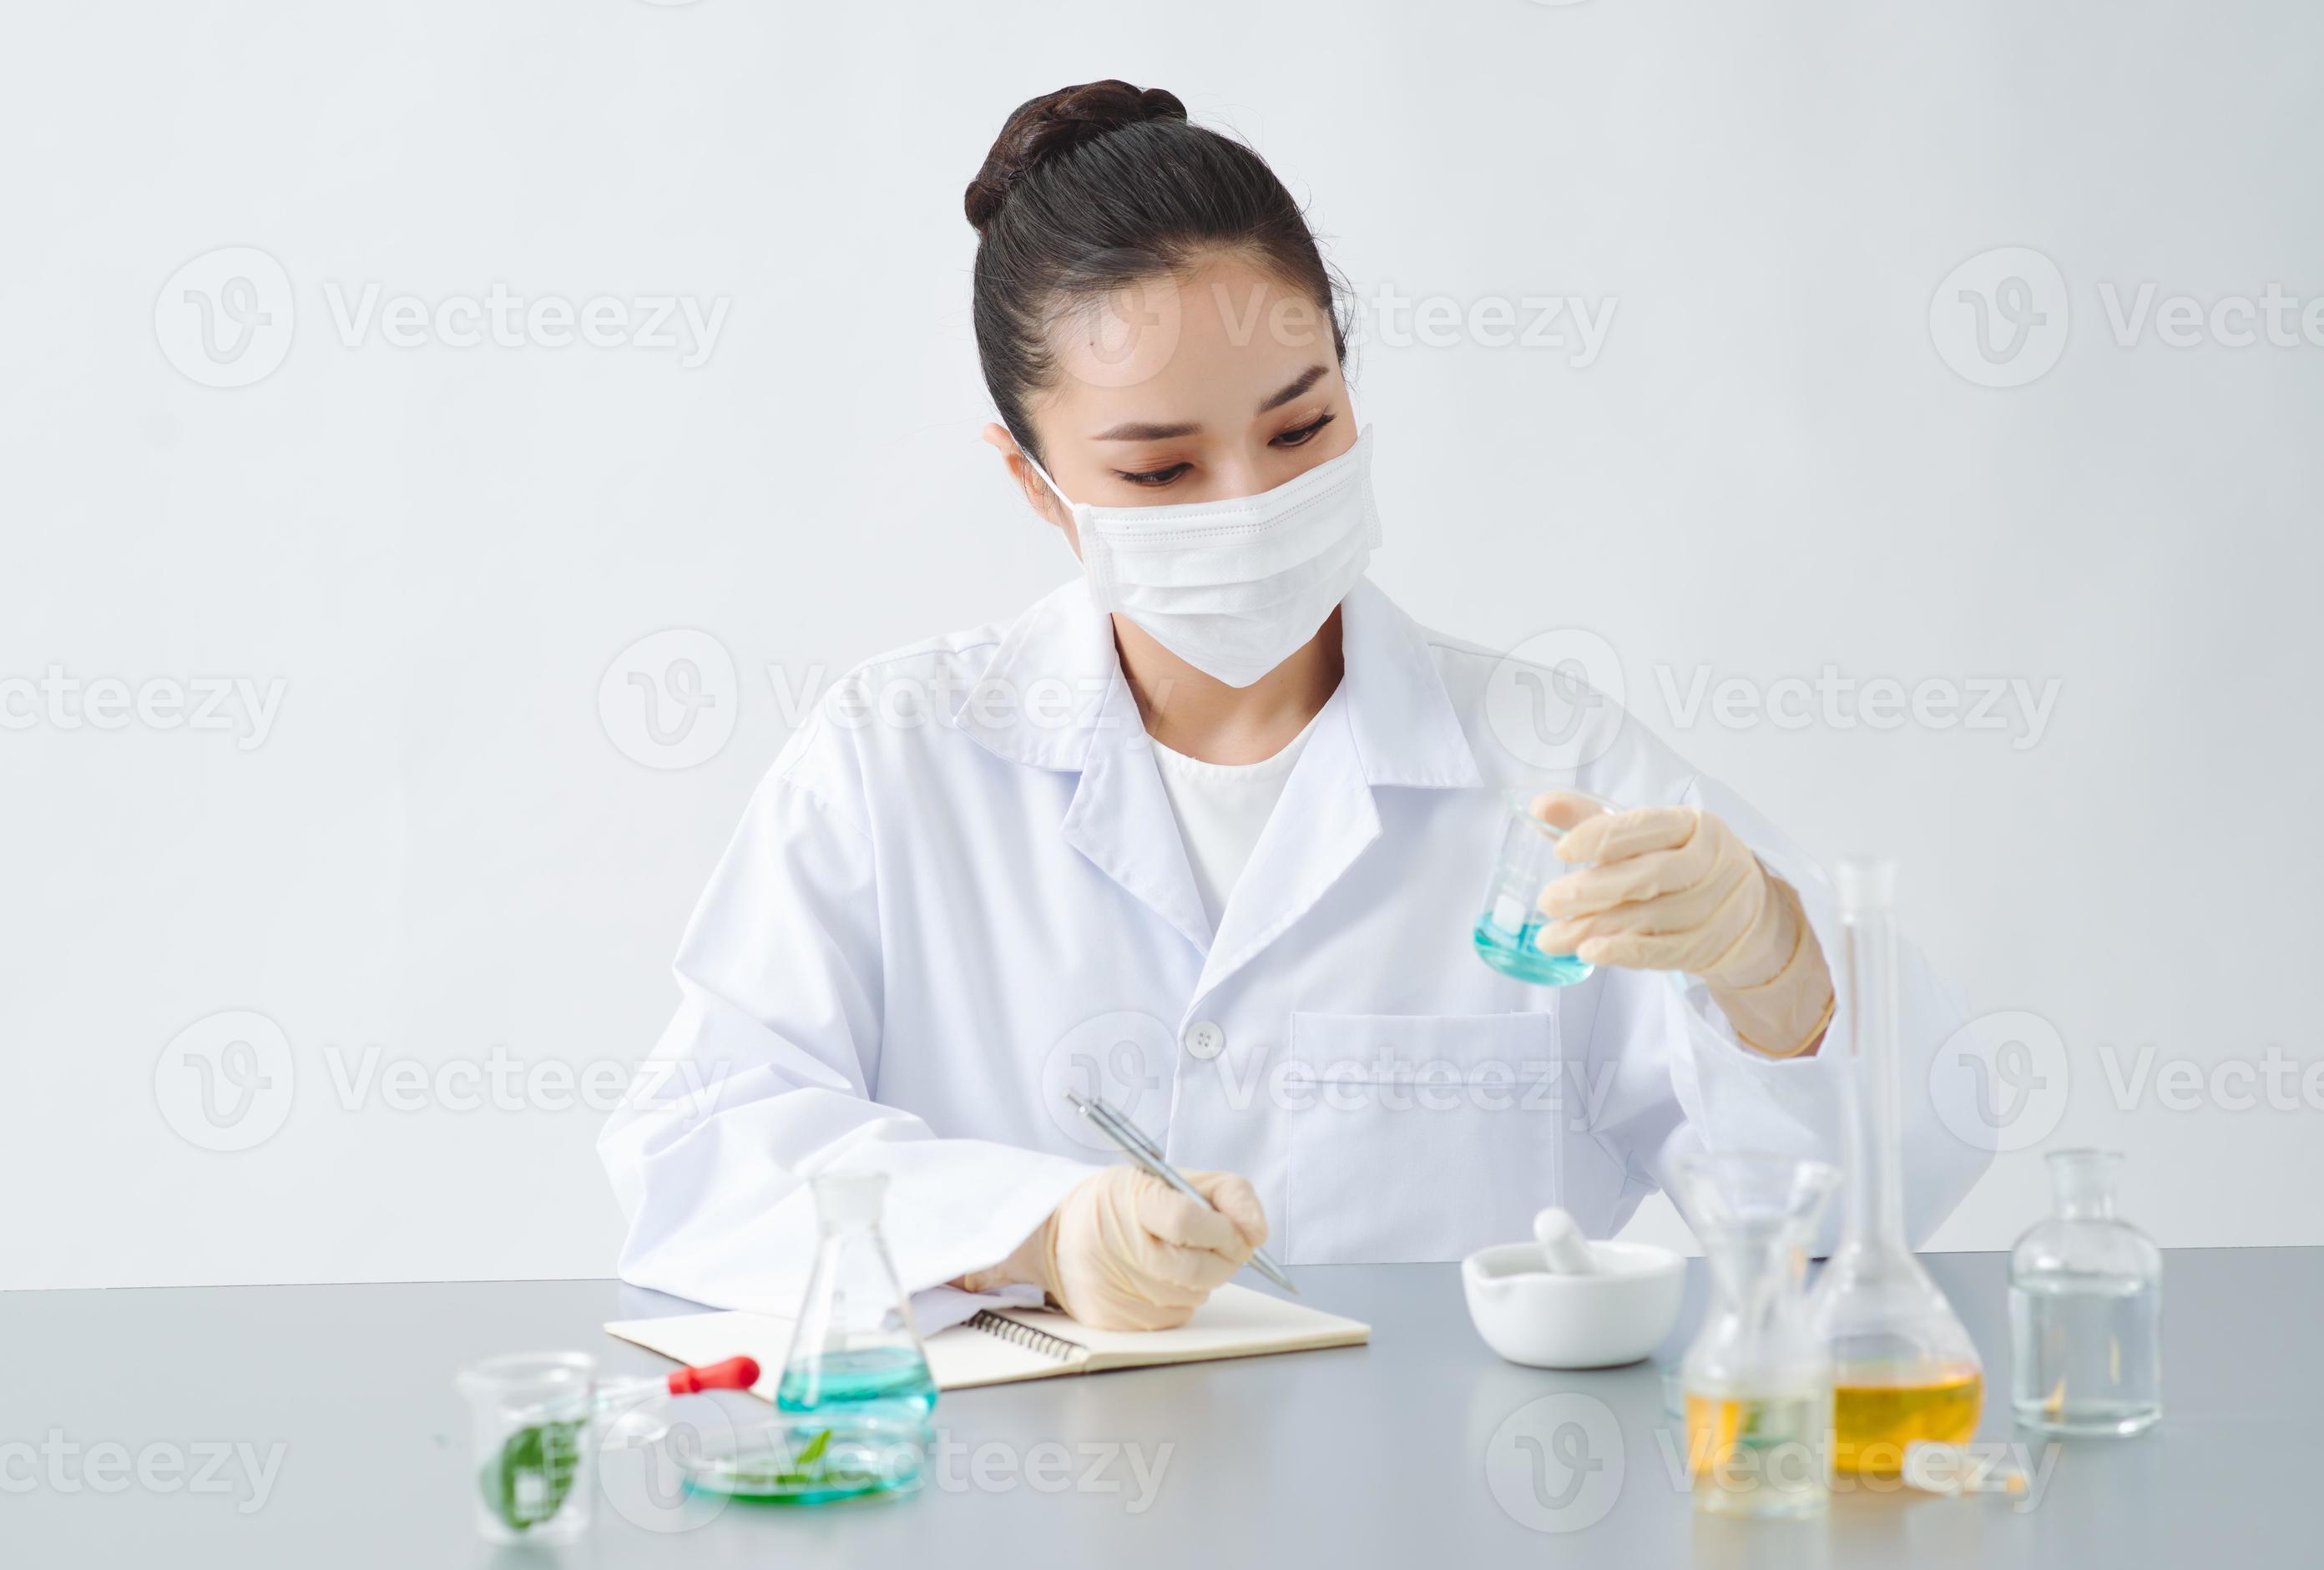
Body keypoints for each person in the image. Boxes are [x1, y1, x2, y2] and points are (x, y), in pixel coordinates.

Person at [600, 80, 1988, 1332]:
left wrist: (1775, 976)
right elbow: (697, 1152)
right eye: (1157, 470)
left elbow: (1857, 1233)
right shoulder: (893, 758)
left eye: (1298, 427)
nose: (1250, 504)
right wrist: (1039, 1231)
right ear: (1035, 484)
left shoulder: (1549, 764)